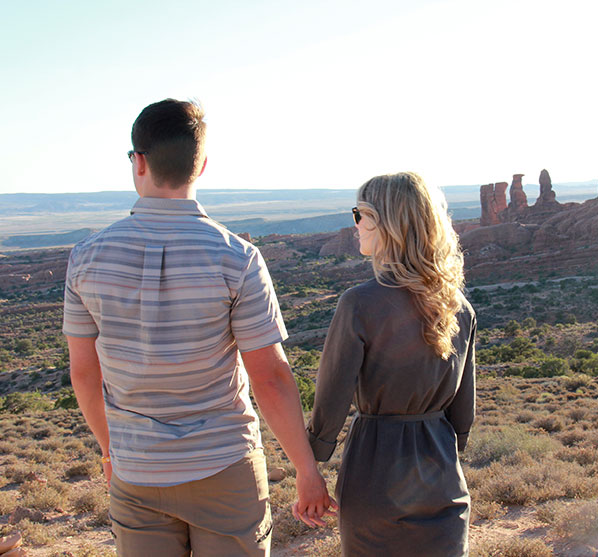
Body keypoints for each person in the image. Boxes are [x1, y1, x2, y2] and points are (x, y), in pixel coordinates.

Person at [62, 99, 334, 556]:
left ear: (139, 162)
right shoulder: (237, 258)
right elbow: (269, 376)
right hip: (225, 467)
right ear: (201, 164)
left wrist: (111, 452)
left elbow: (85, 373)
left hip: (137, 470)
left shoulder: (86, 258)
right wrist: (306, 470)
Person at [304, 172, 477, 556]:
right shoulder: (459, 308)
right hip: (442, 476)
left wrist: (311, 465)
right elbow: (463, 411)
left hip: (374, 473)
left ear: (388, 223)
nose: (355, 224)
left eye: (360, 214)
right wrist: (450, 445)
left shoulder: (359, 304)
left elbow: (331, 401)